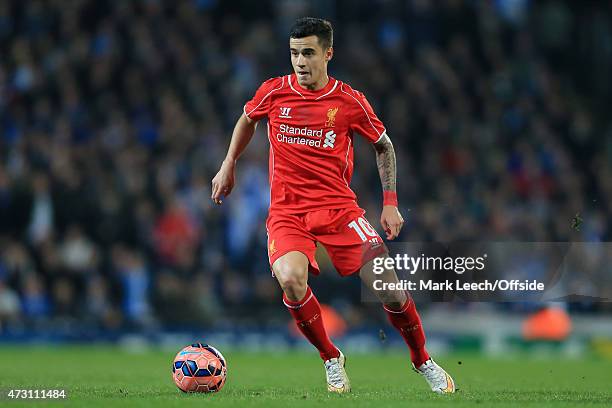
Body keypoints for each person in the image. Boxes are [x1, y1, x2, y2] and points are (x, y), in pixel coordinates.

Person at [212, 17, 455, 394]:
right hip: (288, 212)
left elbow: (384, 146)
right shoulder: (274, 92)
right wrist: (229, 163)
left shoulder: (349, 101)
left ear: (328, 53)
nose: (300, 62)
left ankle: (422, 359)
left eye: (308, 53)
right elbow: (247, 119)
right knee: (290, 278)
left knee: (388, 288)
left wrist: (390, 203)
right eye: (294, 53)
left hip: (340, 210)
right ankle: (330, 356)